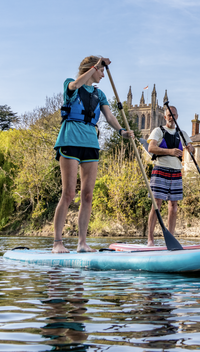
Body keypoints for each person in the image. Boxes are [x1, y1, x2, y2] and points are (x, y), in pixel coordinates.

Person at [53, 56, 134, 253]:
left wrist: (121, 131)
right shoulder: (71, 84)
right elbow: (76, 84)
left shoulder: (100, 94)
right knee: (69, 193)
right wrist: (96, 65)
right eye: (101, 71)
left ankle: (82, 243)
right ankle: (57, 243)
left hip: (91, 143)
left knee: (88, 195)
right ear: (92, 68)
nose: (103, 75)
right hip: (70, 140)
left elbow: (109, 116)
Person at [146, 106, 194, 247]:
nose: (171, 117)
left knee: (173, 207)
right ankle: (150, 240)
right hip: (160, 169)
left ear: (177, 116)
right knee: (157, 205)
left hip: (176, 172)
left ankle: (170, 240)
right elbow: (151, 148)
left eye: (173, 115)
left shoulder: (182, 133)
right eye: (169, 115)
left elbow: (191, 147)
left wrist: (191, 148)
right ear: (165, 117)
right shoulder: (158, 131)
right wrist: (170, 151)